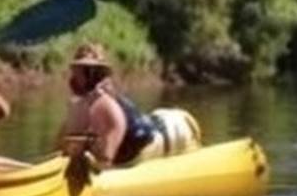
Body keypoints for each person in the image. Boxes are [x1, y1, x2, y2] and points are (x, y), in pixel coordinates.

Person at [59, 43, 198, 168]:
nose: (75, 77)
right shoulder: (81, 105)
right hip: (154, 127)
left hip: (171, 134)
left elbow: (105, 160)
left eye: (82, 71)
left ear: (94, 74)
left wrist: (96, 162)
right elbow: (62, 145)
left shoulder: (106, 103)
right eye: (75, 70)